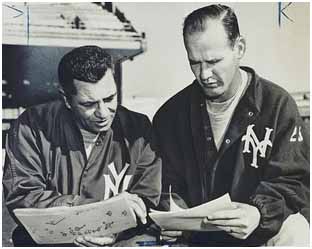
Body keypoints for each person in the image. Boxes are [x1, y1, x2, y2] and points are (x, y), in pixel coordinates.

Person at [152, 4, 309, 246]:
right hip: (197, 239)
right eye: (195, 62)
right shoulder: (170, 115)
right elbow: (165, 186)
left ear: (239, 48)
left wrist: (259, 212)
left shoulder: (277, 105)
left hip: (259, 234)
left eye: (214, 61)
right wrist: (173, 214)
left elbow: (293, 181)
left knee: (296, 228)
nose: (204, 74)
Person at [3, 45, 161, 246]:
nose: (103, 113)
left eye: (110, 98)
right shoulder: (32, 126)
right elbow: (23, 197)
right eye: (89, 104)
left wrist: (114, 231)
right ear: (66, 99)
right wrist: (97, 214)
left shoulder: (138, 128)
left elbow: (148, 198)